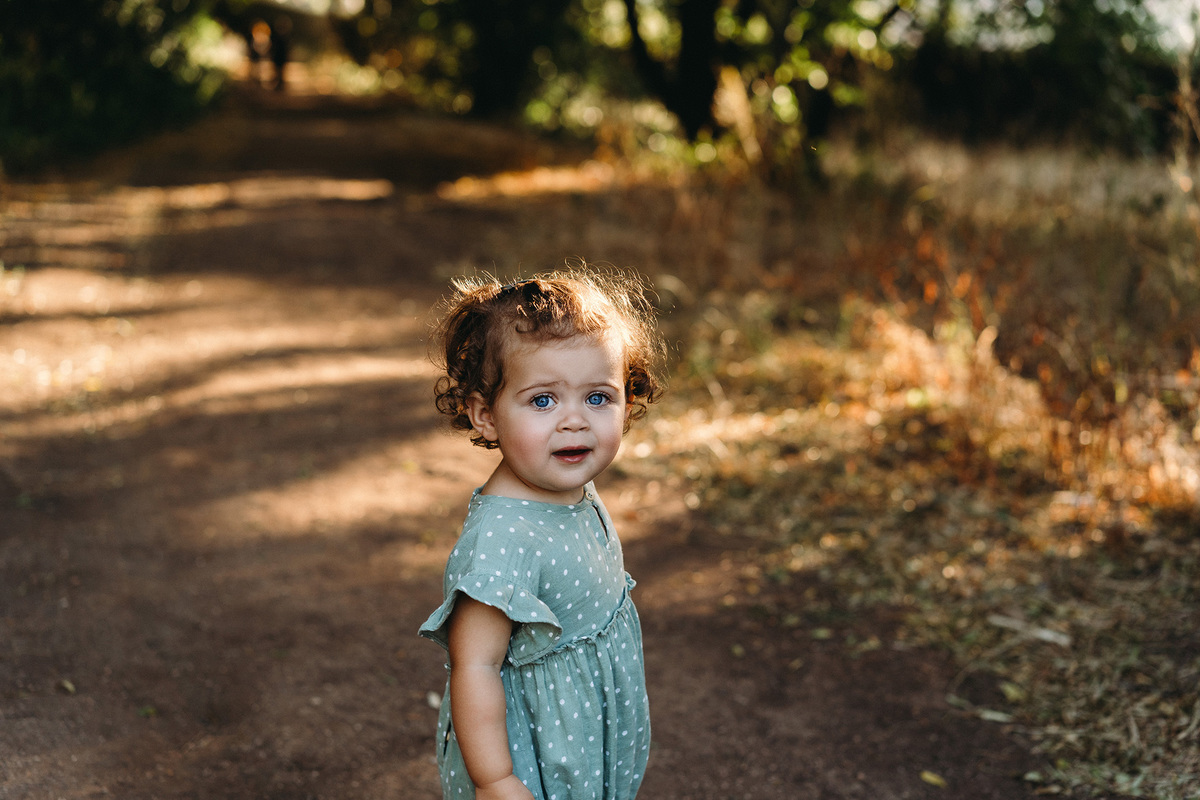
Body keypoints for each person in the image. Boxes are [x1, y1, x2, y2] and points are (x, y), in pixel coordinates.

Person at [419, 267, 666, 800]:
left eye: (598, 398)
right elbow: (476, 666)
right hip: (534, 753)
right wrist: (495, 779)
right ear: (485, 415)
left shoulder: (568, 484)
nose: (575, 421)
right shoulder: (502, 541)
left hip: (585, 726)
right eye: (543, 401)